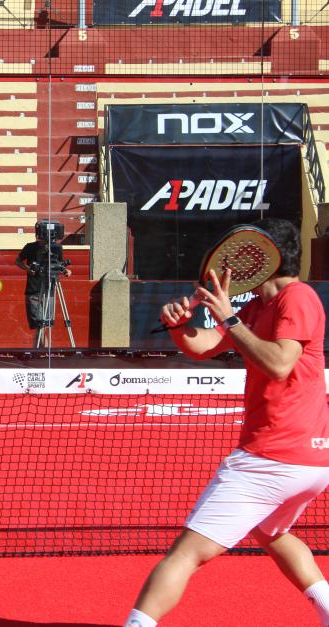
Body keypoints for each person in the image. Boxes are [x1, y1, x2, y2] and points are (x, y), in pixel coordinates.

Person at [123, 218, 329, 627]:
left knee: (186, 553)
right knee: (272, 534)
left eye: (248, 253)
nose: (236, 262)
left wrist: (231, 319)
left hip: (272, 459)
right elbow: (203, 348)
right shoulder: (257, 306)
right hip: (308, 462)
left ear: (269, 258)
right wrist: (179, 326)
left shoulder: (298, 296)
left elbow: (279, 364)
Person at [15, 222, 71, 347]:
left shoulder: (57, 248)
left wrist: (66, 270)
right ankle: (43, 350)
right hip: (34, 290)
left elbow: (60, 264)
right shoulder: (30, 247)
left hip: (49, 289)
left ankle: (40, 350)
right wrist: (28, 269)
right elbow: (18, 261)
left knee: (46, 325)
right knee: (39, 324)